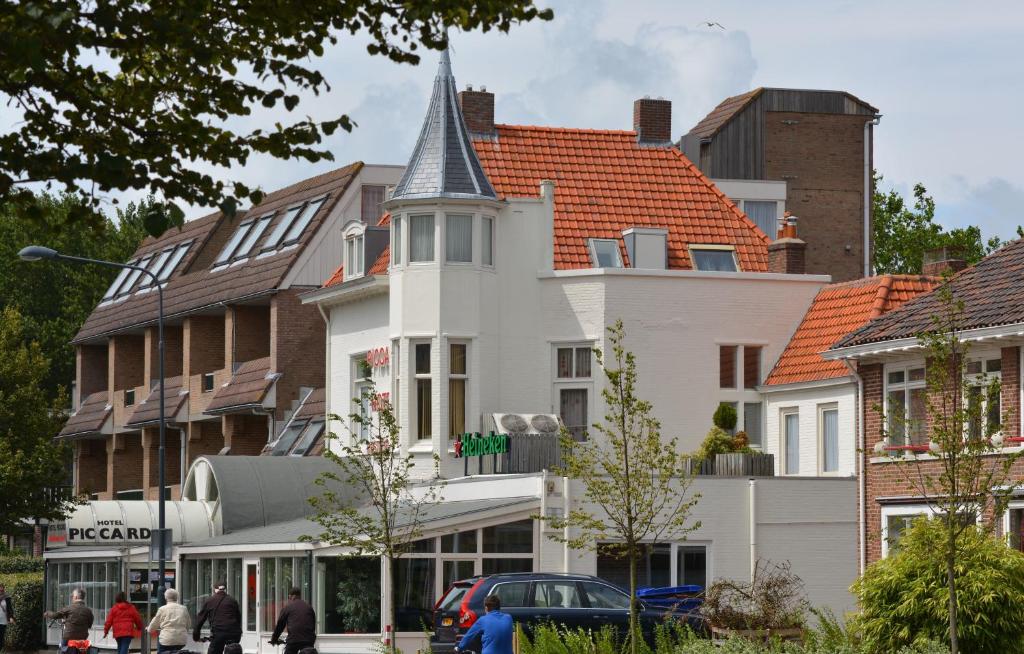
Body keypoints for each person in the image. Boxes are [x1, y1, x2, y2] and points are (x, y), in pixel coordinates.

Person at [193, 582, 241, 654]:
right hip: (234, 633)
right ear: (225, 589)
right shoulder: (233, 601)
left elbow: (200, 619)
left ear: (215, 589)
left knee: (214, 650)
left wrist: (196, 636)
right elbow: (238, 617)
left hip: (219, 632)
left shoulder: (210, 601)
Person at [44, 588, 95, 653]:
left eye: (72, 596)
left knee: (62, 649)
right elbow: (90, 625)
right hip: (83, 637)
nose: (72, 598)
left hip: (69, 637)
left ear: (76, 597)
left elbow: (55, 615)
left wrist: (47, 613)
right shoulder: (88, 611)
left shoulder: (69, 608)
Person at [269, 588, 316, 654]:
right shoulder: (309, 607)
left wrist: (274, 639)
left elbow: (280, 625)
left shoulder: (288, 607)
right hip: (308, 641)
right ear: (299, 596)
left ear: (292, 596)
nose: (289, 599)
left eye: (289, 597)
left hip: (293, 640)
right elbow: (313, 625)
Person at [147, 589, 191, 654]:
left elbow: (154, 623)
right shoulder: (184, 609)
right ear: (177, 597)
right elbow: (188, 624)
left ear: (165, 597)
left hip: (166, 639)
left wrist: (149, 629)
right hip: (181, 639)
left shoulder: (162, 609)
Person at [0, 583, 15, 652]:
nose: (1, 590)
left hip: (3, 620)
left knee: (1, 636)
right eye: (0, 589)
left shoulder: (7, 598)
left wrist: (11, 617)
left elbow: (9, 608)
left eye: (2, 589)